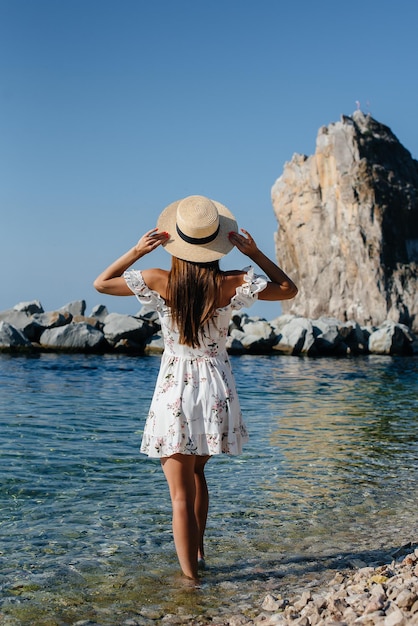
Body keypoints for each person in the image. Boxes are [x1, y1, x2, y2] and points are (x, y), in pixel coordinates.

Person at [94, 195, 297, 583]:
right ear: (217, 243)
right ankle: (200, 553)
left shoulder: (158, 279)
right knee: (199, 474)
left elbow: (101, 284)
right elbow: (287, 290)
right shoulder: (234, 282)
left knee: (179, 495)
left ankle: (190, 585)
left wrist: (137, 250)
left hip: (176, 388)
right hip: (216, 387)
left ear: (177, 242)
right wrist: (255, 254)